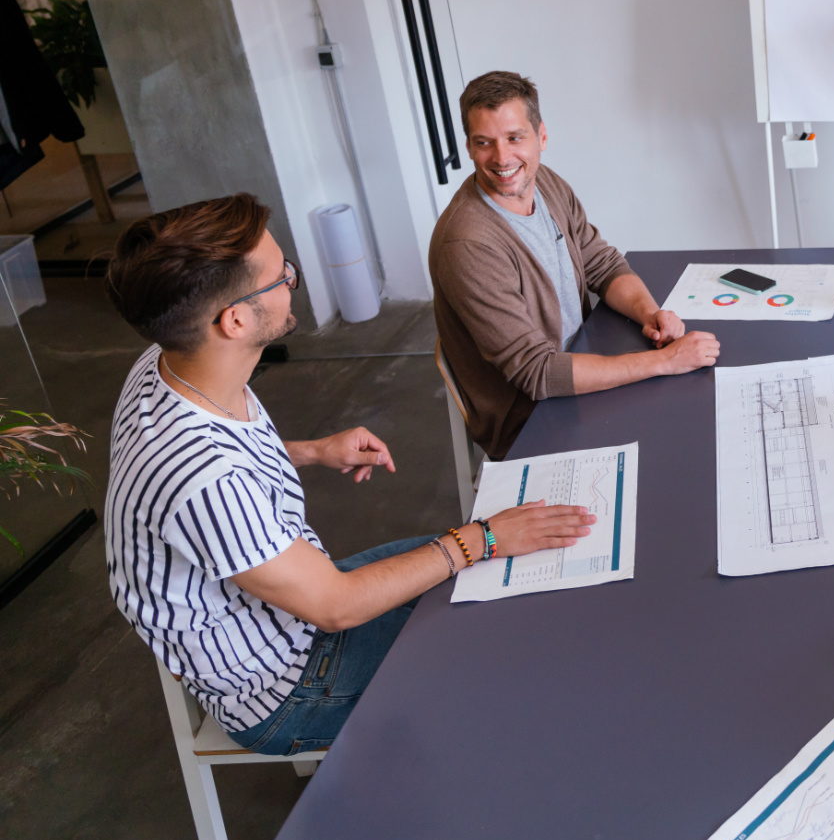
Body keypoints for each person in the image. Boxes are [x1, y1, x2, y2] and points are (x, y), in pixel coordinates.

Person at [102, 194, 596, 754]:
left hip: (294, 598)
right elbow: (335, 606)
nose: (294, 279)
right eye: (280, 275)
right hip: (286, 682)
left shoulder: (169, 363)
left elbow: (230, 464)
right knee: (506, 659)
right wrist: (483, 538)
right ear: (234, 320)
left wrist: (312, 451)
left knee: (501, 578)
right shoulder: (197, 476)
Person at [430, 71, 719, 458]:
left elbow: (600, 263)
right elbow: (537, 375)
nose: (502, 158)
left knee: (694, 420)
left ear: (541, 137)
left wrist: (649, 312)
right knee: (681, 444)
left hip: (579, 362)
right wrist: (663, 361)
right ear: (468, 147)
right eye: (485, 143)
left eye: (515, 138)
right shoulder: (467, 243)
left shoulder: (543, 182)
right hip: (532, 416)